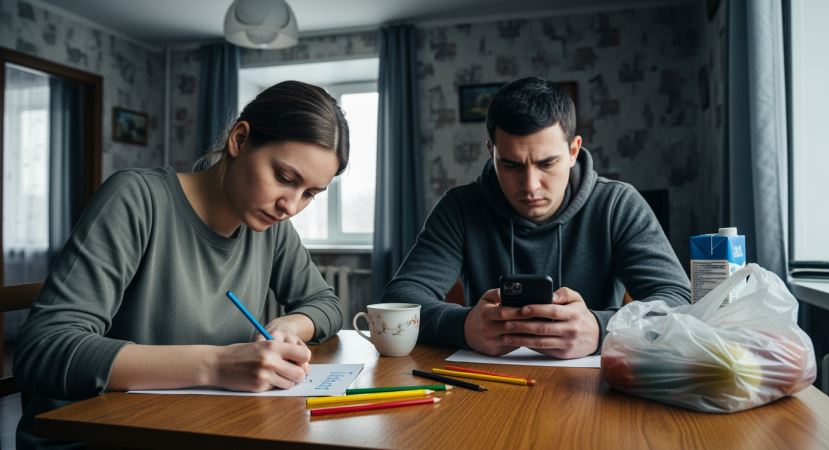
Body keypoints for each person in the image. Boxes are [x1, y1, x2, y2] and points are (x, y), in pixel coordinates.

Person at [13, 81, 348, 450]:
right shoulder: (137, 200)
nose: (291, 206)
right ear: (239, 139)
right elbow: (43, 349)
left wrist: (288, 324)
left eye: (310, 194)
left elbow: (326, 304)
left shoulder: (270, 228)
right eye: (285, 178)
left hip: (195, 425)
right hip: (96, 433)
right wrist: (218, 365)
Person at [380, 76, 690, 359]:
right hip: (485, 387)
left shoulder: (618, 205)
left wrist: (601, 329)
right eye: (512, 165)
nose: (530, 186)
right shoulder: (460, 207)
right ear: (491, 153)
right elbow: (400, 299)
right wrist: (462, 325)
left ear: (573, 150)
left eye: (547, 163)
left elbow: (678, 299)